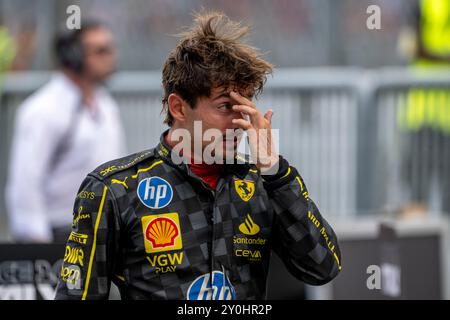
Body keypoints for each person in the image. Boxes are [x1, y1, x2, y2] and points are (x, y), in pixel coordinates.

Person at [55, 12, 341, 300]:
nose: (241, 122)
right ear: (178, 108)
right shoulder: (114, 189)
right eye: (225, 106)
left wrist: (276, 173)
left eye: (245, 107)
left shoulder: (264, 183)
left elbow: (322, 269)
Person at [5, 20, 126, 243]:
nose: (110, 57)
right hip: (59, 235)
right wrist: (38, 248)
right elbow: (26, 184)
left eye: (110, 48)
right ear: (73, 56)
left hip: (102, 232)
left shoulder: (106, 105)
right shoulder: (43, 109)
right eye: (100, 50)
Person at [398, 0, 450, 216]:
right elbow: (412, 48)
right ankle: (416, 247)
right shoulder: (419, 5)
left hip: (442, 117)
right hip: (422, 116)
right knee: (418, 192)